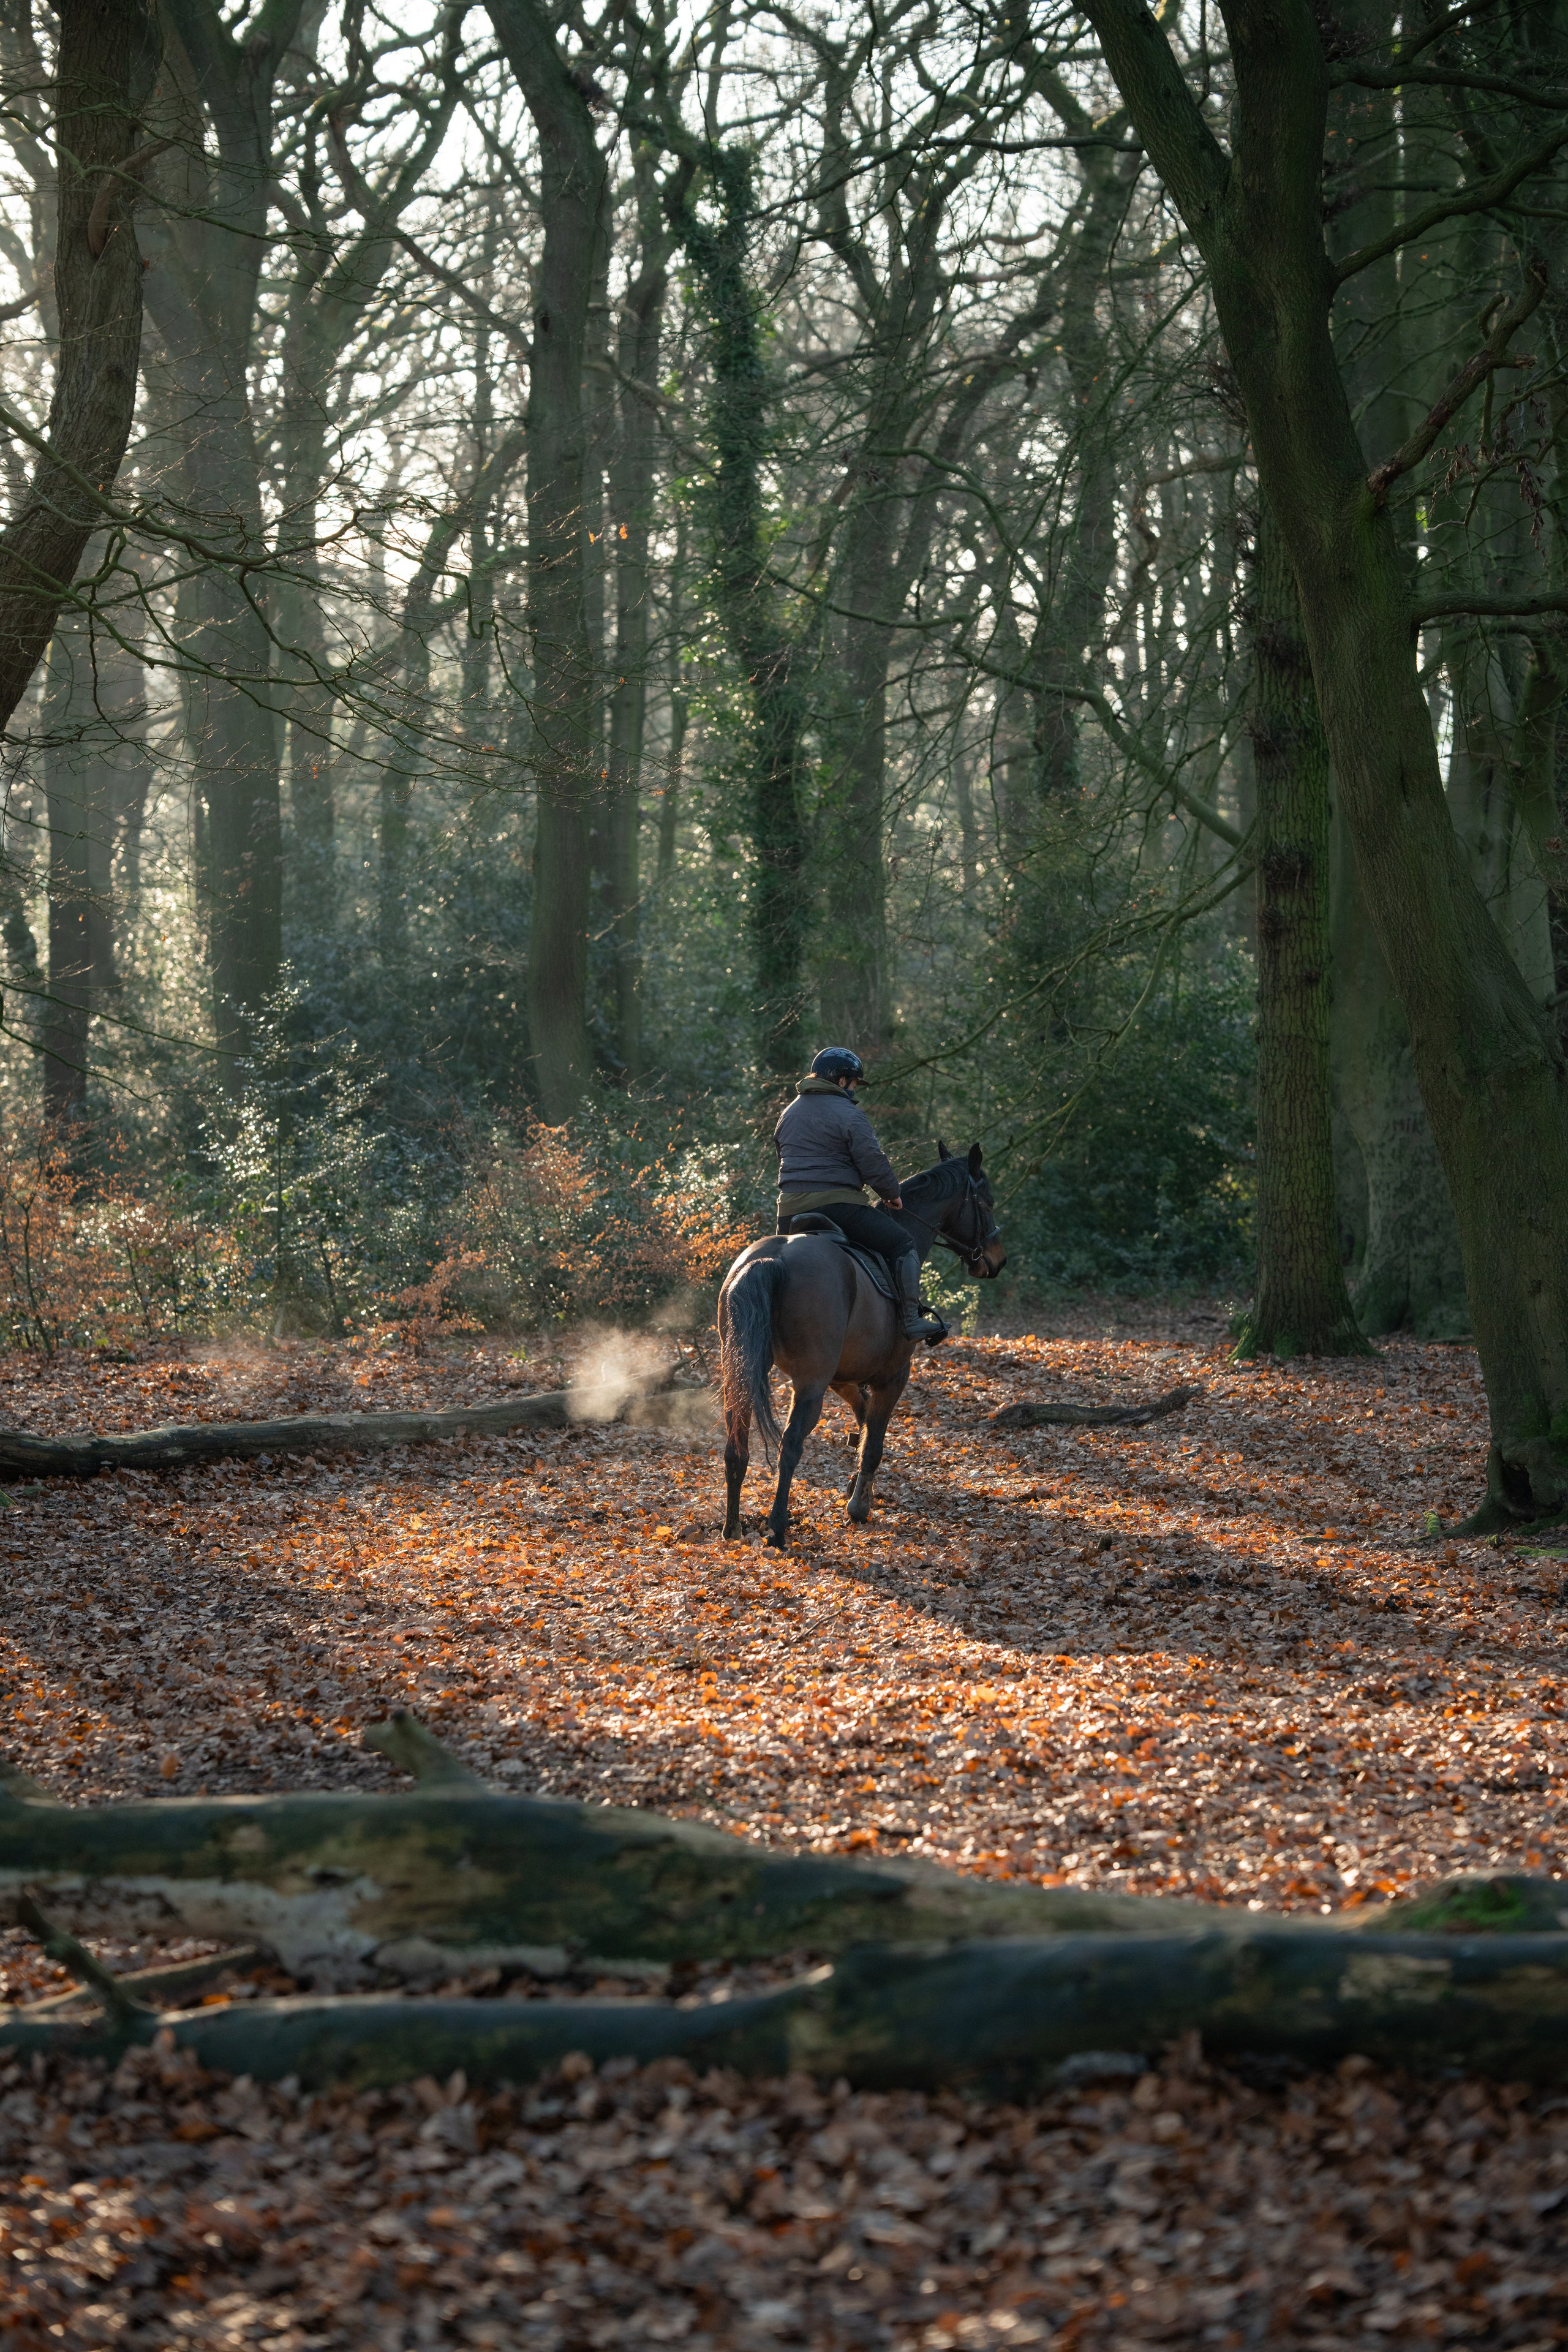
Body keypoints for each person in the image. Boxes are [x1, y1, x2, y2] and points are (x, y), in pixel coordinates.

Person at [774, 1047, 946, 1342]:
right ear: (842, 1081)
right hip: (838, 1206)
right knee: (903, 1243)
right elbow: (871, 1160)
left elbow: (783, 1156)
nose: (854, 1090)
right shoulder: (849, 1114)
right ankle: (911, 1320)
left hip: (788, 1212)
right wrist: (891, 1193)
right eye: (854, 1083)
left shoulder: (788, 1113)